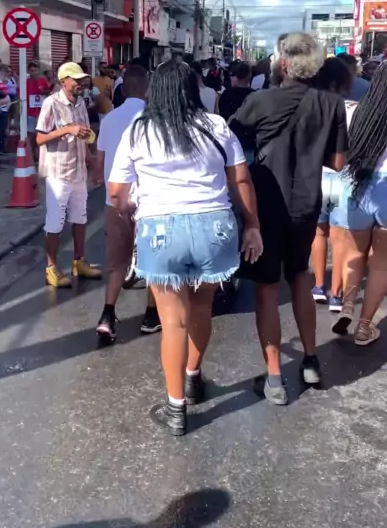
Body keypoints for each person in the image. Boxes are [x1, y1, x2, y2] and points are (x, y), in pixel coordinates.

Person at [108, 60, 262, 436]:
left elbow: (116, 192)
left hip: (160, 229)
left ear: (155, 90)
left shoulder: (138, 129)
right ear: (194, 89)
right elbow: (241, 179)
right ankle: (193, 375)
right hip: (214, 227)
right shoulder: (216, 125)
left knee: (173, 320)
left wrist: (130, 211)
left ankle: (176, 408)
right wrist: (253, 226)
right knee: (202, 307)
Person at [230, 32, 348, 405]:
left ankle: (275, 379)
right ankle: (311, 362)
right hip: (307, 204)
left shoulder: (260, 100)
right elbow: (338, 162)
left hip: (266, 204)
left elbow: (230, 143)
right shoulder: (332, 104)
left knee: (267, 287)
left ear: (283, 63)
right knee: (300, 275)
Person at [95, 65, 160, 340]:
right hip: (149, 201)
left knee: (116, 263)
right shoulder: (154, 118)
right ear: (147, 88)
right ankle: (150, 315)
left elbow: (99, 162)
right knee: (151, 261)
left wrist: (100, 182)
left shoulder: (109, 119)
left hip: (115, 200)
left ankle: (107, 315)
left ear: (124, 88)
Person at [329, 63, 387, 345]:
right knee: (381, 265)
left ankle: (348, 305)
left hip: (357, 186)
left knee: (354, 253)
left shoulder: (354, 111)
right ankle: (364, 327)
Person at [36, 62, 102, 288]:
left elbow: (83, 136)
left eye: (81, 79)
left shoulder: (81, 103)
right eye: (76, 80)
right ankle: (51, 268)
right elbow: (40, 138)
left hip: (78, 170)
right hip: (58, 172)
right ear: (63, 81)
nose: (80, 83)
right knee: (55, 222)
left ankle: (79, 261)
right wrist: (67, 129)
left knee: (80, 218)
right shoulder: (51, 103)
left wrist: (92, 162)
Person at [310, 57, 355, 311]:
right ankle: (336, 293)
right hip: (343, 177)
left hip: (316, 174)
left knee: (318, 233)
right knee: (339, 237)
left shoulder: (310, 105)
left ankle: (318, 285)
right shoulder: (353, 108)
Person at [27, 61, 50, 160]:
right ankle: (31, 154)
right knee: (31, 134)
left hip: (41, 112)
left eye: (35, 70)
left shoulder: (42, 81)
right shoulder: (26, 82)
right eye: (31, 70)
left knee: (40, 134)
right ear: (28, 71)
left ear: (38, 71)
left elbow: (49, 91)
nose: (33, 72)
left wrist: (43, 92)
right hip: (30, 112)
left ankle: (39, 154)